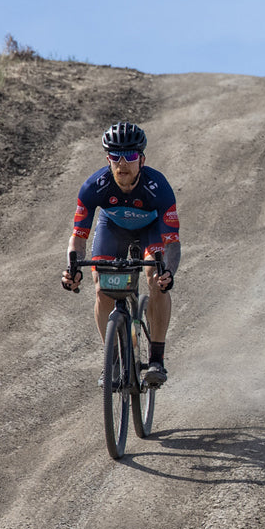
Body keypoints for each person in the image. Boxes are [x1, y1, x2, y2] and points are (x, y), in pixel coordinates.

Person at [59, 122, 180, 386]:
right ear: (108, 159)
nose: (122, 163)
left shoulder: (158, 187)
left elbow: (171, 243)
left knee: (154, 277)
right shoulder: (94, 186)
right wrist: (72, 268)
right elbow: (78, 237)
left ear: (142, 159)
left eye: (131, 156)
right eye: (116, 156)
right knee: (102, 289)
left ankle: (157, 359)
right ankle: (112, 361)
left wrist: (168, 272)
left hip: (151, 230)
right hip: (112, 228)